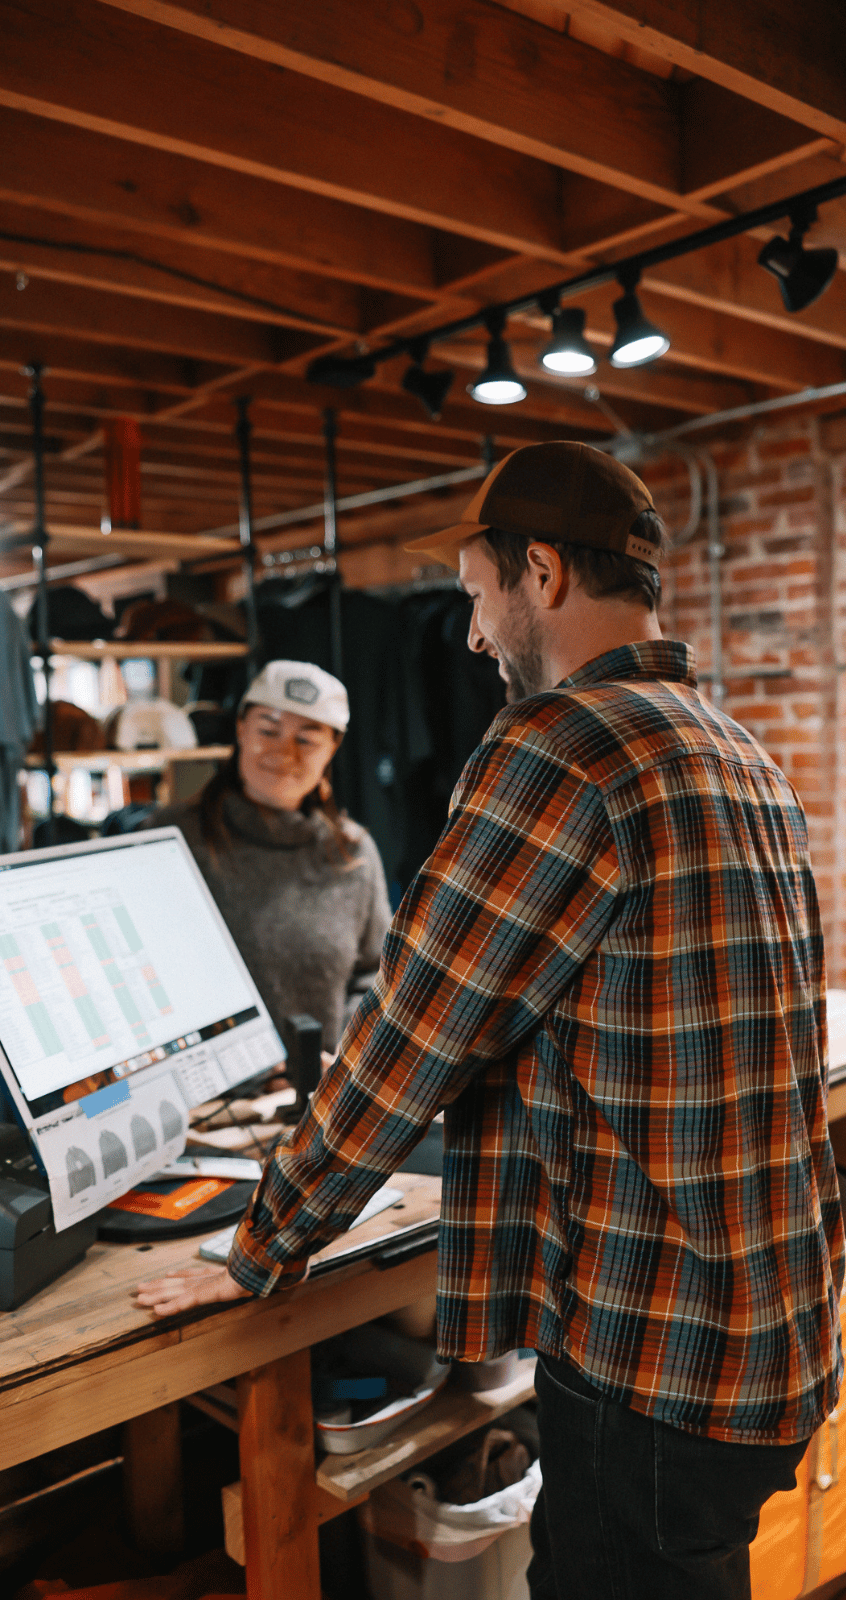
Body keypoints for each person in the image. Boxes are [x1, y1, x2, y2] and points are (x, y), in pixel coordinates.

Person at [137, 442, 845, 1599]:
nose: (471, 635)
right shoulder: (739, 750)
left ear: (545, 574)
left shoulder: (560, 749)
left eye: (477, 594)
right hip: (769, 1329)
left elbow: (414, 1034)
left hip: (652, 1352)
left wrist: (263, 1244)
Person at [141, 659, 390, 1054]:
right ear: (241, 729)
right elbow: (144, 976)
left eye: (306, 739)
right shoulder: (170, 838)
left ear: (333, 747)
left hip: (321, 1094)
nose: (283, 751)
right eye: (268, 731)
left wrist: (340, 1060)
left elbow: (375, 979)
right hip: (206, 1098)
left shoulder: (353, 852)